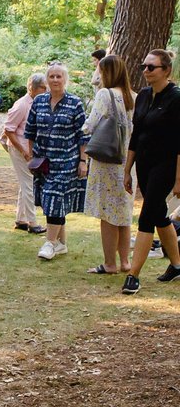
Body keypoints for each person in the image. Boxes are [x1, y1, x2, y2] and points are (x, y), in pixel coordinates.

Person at [120, 49, 180, 295]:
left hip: (165, 165)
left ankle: (133, 275)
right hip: (144, 163)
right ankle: (177, 265)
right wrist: (127, 169)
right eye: (144, 66)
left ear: (166, 70)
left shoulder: (176, 98)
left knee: (146, 215)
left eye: (151, 67)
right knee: (159, 214)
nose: (145, 70)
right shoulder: (143, 95)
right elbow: (136, 135)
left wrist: (178, 178)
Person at [25, 63, 89, 262]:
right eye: (51, 76)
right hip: (43, 162)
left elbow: (83, 135)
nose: (54, 80)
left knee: (54, 198)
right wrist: (30, 156)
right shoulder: (39, 101)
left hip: (66, 161)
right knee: (51, 201)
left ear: (65, 79)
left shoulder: (74, 103)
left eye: (58, 76)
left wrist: (83, 160)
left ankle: (49, 243)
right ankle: (61, 243)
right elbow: (30, 130)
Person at [82, 55, 135, 275]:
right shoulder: (134, 96)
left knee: (107, 214)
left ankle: (109, 263)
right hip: (128, 163)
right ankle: (125, 261)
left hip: (107, 160)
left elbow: (90, 125)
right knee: (123, 213)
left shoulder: (105, 94)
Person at [0, 74, 48, 234]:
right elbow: (8, 129)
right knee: (29, 185)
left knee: (25, 183)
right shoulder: (22, 105)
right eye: (43, 87)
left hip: (30, 150)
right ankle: (33, 223)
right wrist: (24, 152)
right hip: (20, 149)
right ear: (32, 88)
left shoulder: (37, 103)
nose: (46, 90)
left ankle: (21, 220)